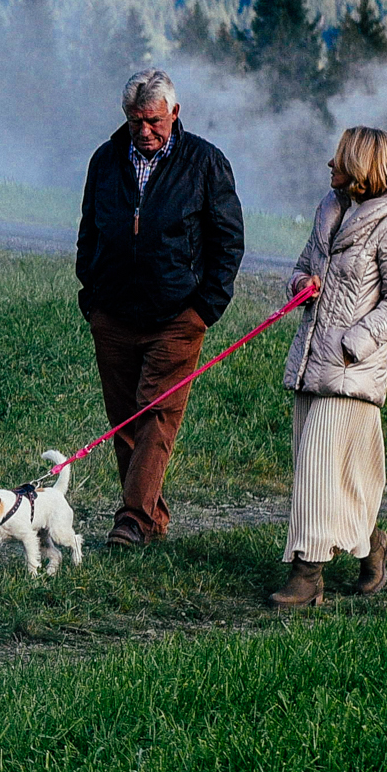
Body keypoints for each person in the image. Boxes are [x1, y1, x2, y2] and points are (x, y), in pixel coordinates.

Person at [75, 67, 246, 548]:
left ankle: (130, 518)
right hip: (111, 313)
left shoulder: (205, 163)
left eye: (153, 121)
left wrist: (204, 308)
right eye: (134, 121)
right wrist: (91, 295)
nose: (144, 132)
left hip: (177, 317)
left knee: (156, 413)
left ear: (175, 112)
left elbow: (228, 240)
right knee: (125, 418)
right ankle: (151, 517)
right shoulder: (105, 160)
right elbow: (88, 229)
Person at [269, 126, 387, 608]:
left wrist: (355, 341)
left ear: (360, 168)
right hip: (312, 363)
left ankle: (307, 574)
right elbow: (301, 266)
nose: (328, 166)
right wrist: (300, 284)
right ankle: (374, 543)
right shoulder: (328, 211)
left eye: (338, 158)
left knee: (318, 465)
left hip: (351, 371)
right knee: (335, 475)